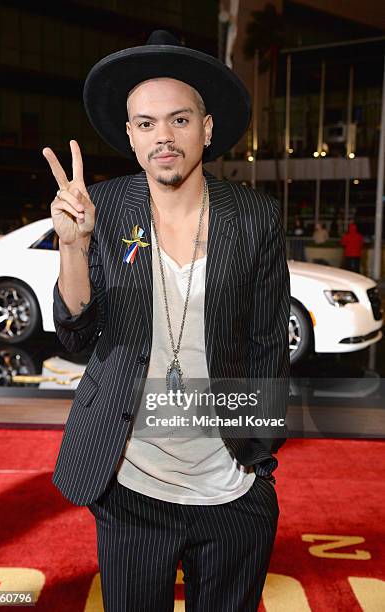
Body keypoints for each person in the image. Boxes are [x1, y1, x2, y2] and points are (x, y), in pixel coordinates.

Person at [43, 30, 290, 612]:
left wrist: (254, 456)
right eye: (147, 124)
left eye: (179, 120)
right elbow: (75, 336)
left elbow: (266, 345)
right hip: (130, 485)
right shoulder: (104, 210)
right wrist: (74, 246)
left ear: (206, 128)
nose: (164, 138)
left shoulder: (254, 217)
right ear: (130, 136)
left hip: (231, 487)